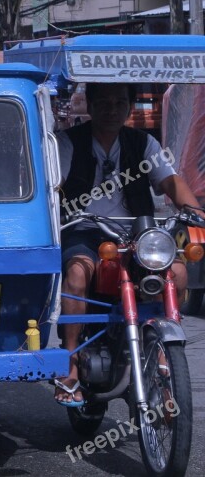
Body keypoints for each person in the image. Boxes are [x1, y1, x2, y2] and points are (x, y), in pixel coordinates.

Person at [54, 82, 205, 406]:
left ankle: (165, 351)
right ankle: (70, 364)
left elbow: (171, 182)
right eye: (104, 102)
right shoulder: (69, 142)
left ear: (130, 107)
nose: (112, 109)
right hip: (84, 229)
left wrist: (195, 214)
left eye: (120, 102)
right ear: (90, 106)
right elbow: (56, 187)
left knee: (176, 272)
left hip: (135, 231)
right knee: (78, 275)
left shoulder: (143, 143)